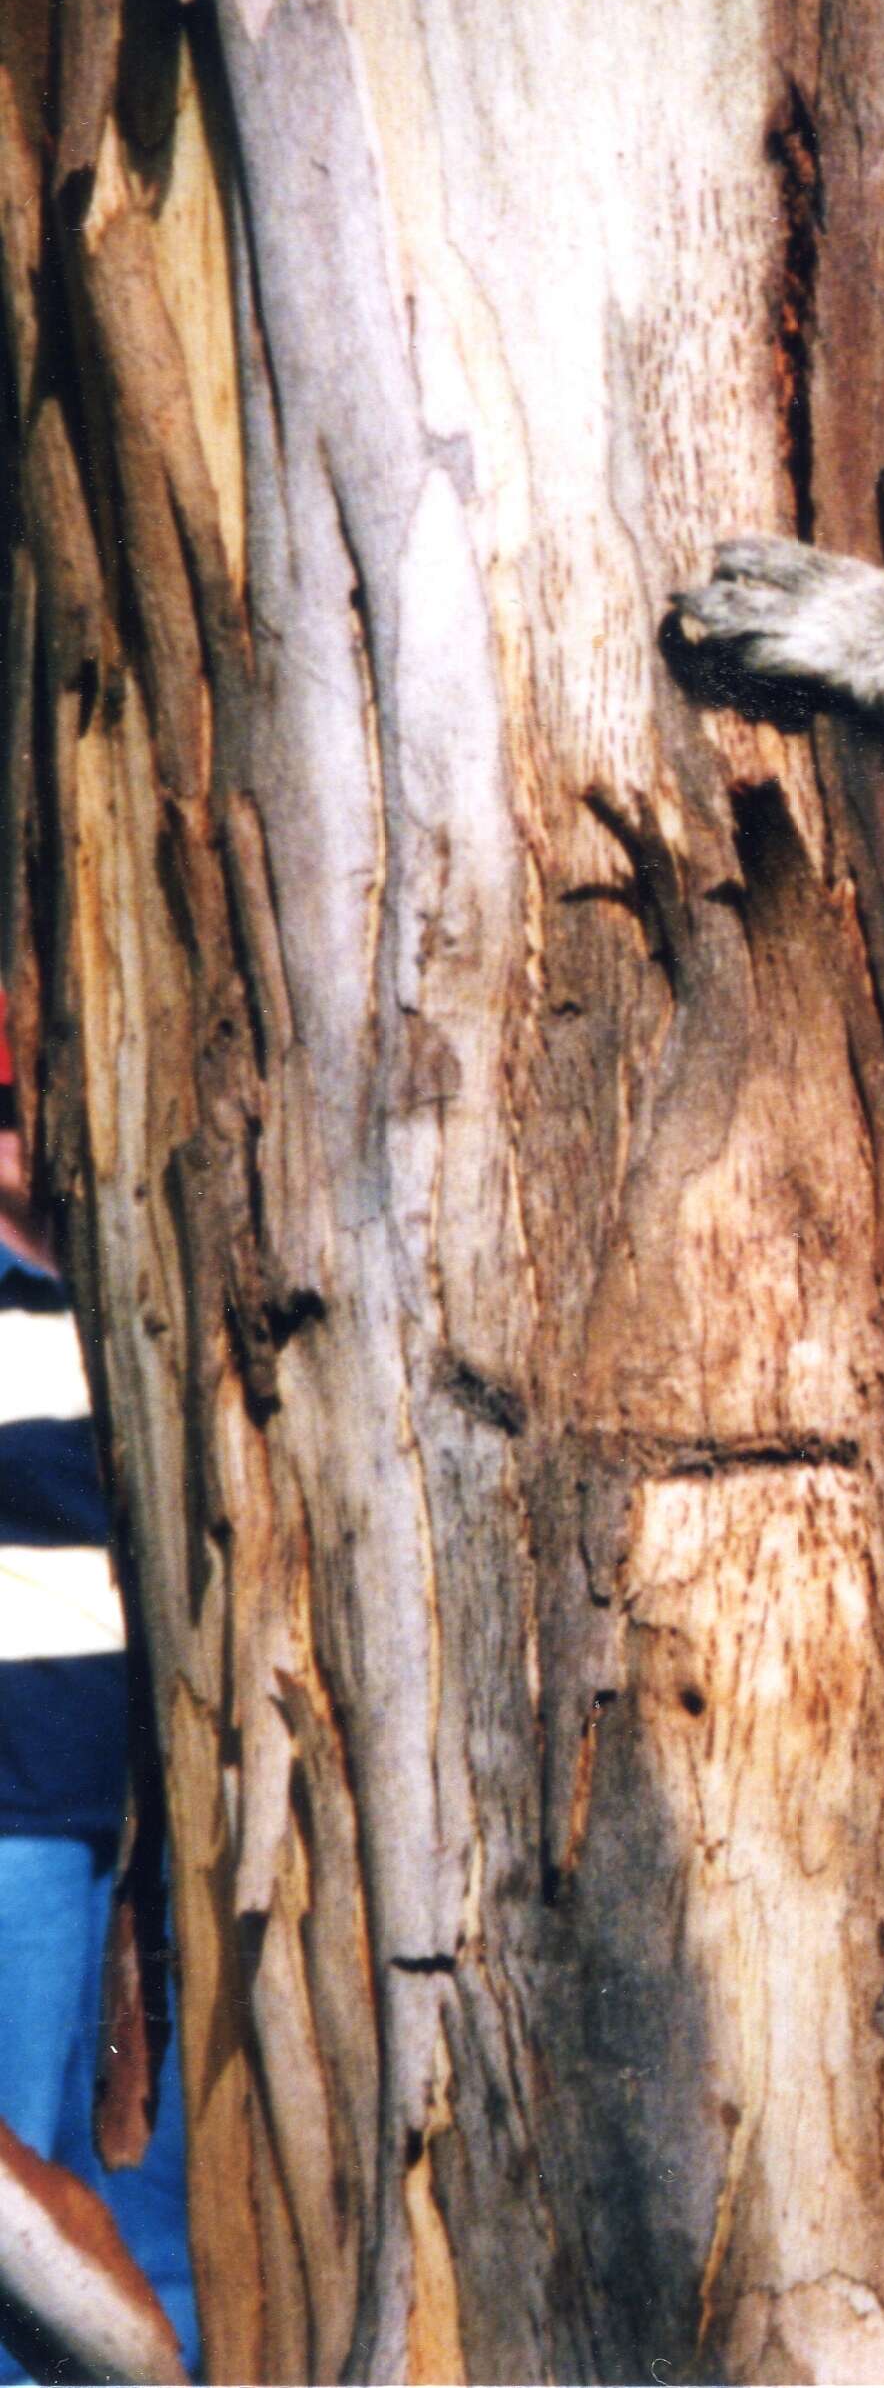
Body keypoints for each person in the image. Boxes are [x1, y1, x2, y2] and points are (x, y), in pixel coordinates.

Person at [0, 1019, 191, 2382]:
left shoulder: (137, 1292)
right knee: (22, 2164)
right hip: (17, 1787)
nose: (16, 1136)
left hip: (117, 1796)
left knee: (103, 2156)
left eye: (24, 1103)